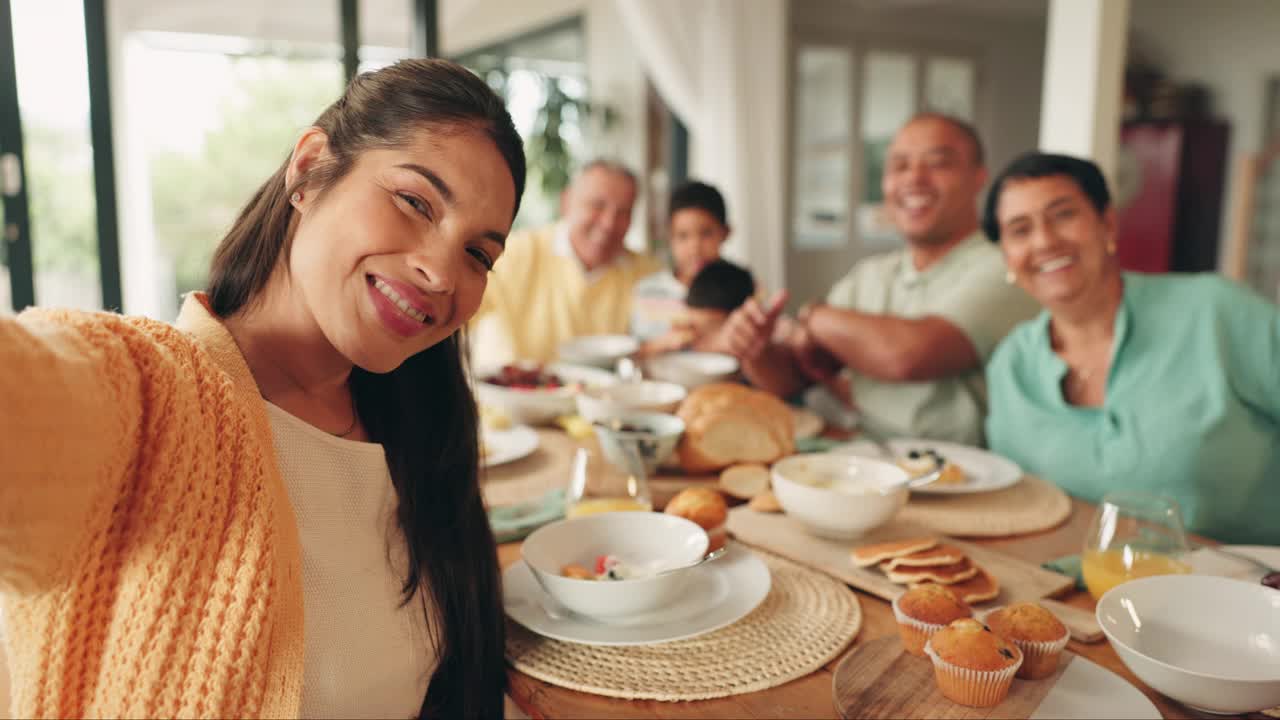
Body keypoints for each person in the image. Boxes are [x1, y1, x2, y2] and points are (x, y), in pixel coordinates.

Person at [0, 59, 524, 718]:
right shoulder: (151, 398)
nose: (442, 272)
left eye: (478, 255)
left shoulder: (420, 428)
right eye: (415, 202)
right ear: (308, 169)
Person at [983, 152, 1280, 544]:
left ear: (1107, 223)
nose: (1044, 241)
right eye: (1020, 230)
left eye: (1063, 215)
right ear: (1006, 256)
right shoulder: (1010, 365)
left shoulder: (1218, 313)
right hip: (1072, 589)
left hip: (1246, 589)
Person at [716, 113, 1040, 445]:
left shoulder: (1006, 268)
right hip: (861, 454)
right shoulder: (870, 275)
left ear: (978, 178)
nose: (914, 178)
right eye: (899, 166)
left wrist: (812, 315)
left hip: (962, 479)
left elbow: (909, 356)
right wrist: (755, 349)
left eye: (937, 163)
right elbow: (791, 379)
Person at [469, 160, 661, 367]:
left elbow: (664, 340)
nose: (609, 224)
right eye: (597, 205)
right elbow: (452, 319)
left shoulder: (648, 274)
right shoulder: (514, 255)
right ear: (566, 202)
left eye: (624, 212)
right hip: (521, 395)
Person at [631, 180, 732, 341]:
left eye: (706, 233)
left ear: (726, 233)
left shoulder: (744, 288)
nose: (695, 248)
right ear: (669, 238)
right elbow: (637, 351)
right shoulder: (648, 291)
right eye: (683, 236)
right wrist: (669, 341)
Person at [641, 258, 755, 355]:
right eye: (694, 328)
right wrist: (661, 344)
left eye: (708, 335)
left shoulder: (751, 347)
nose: (699, 345)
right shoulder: (679, 336)